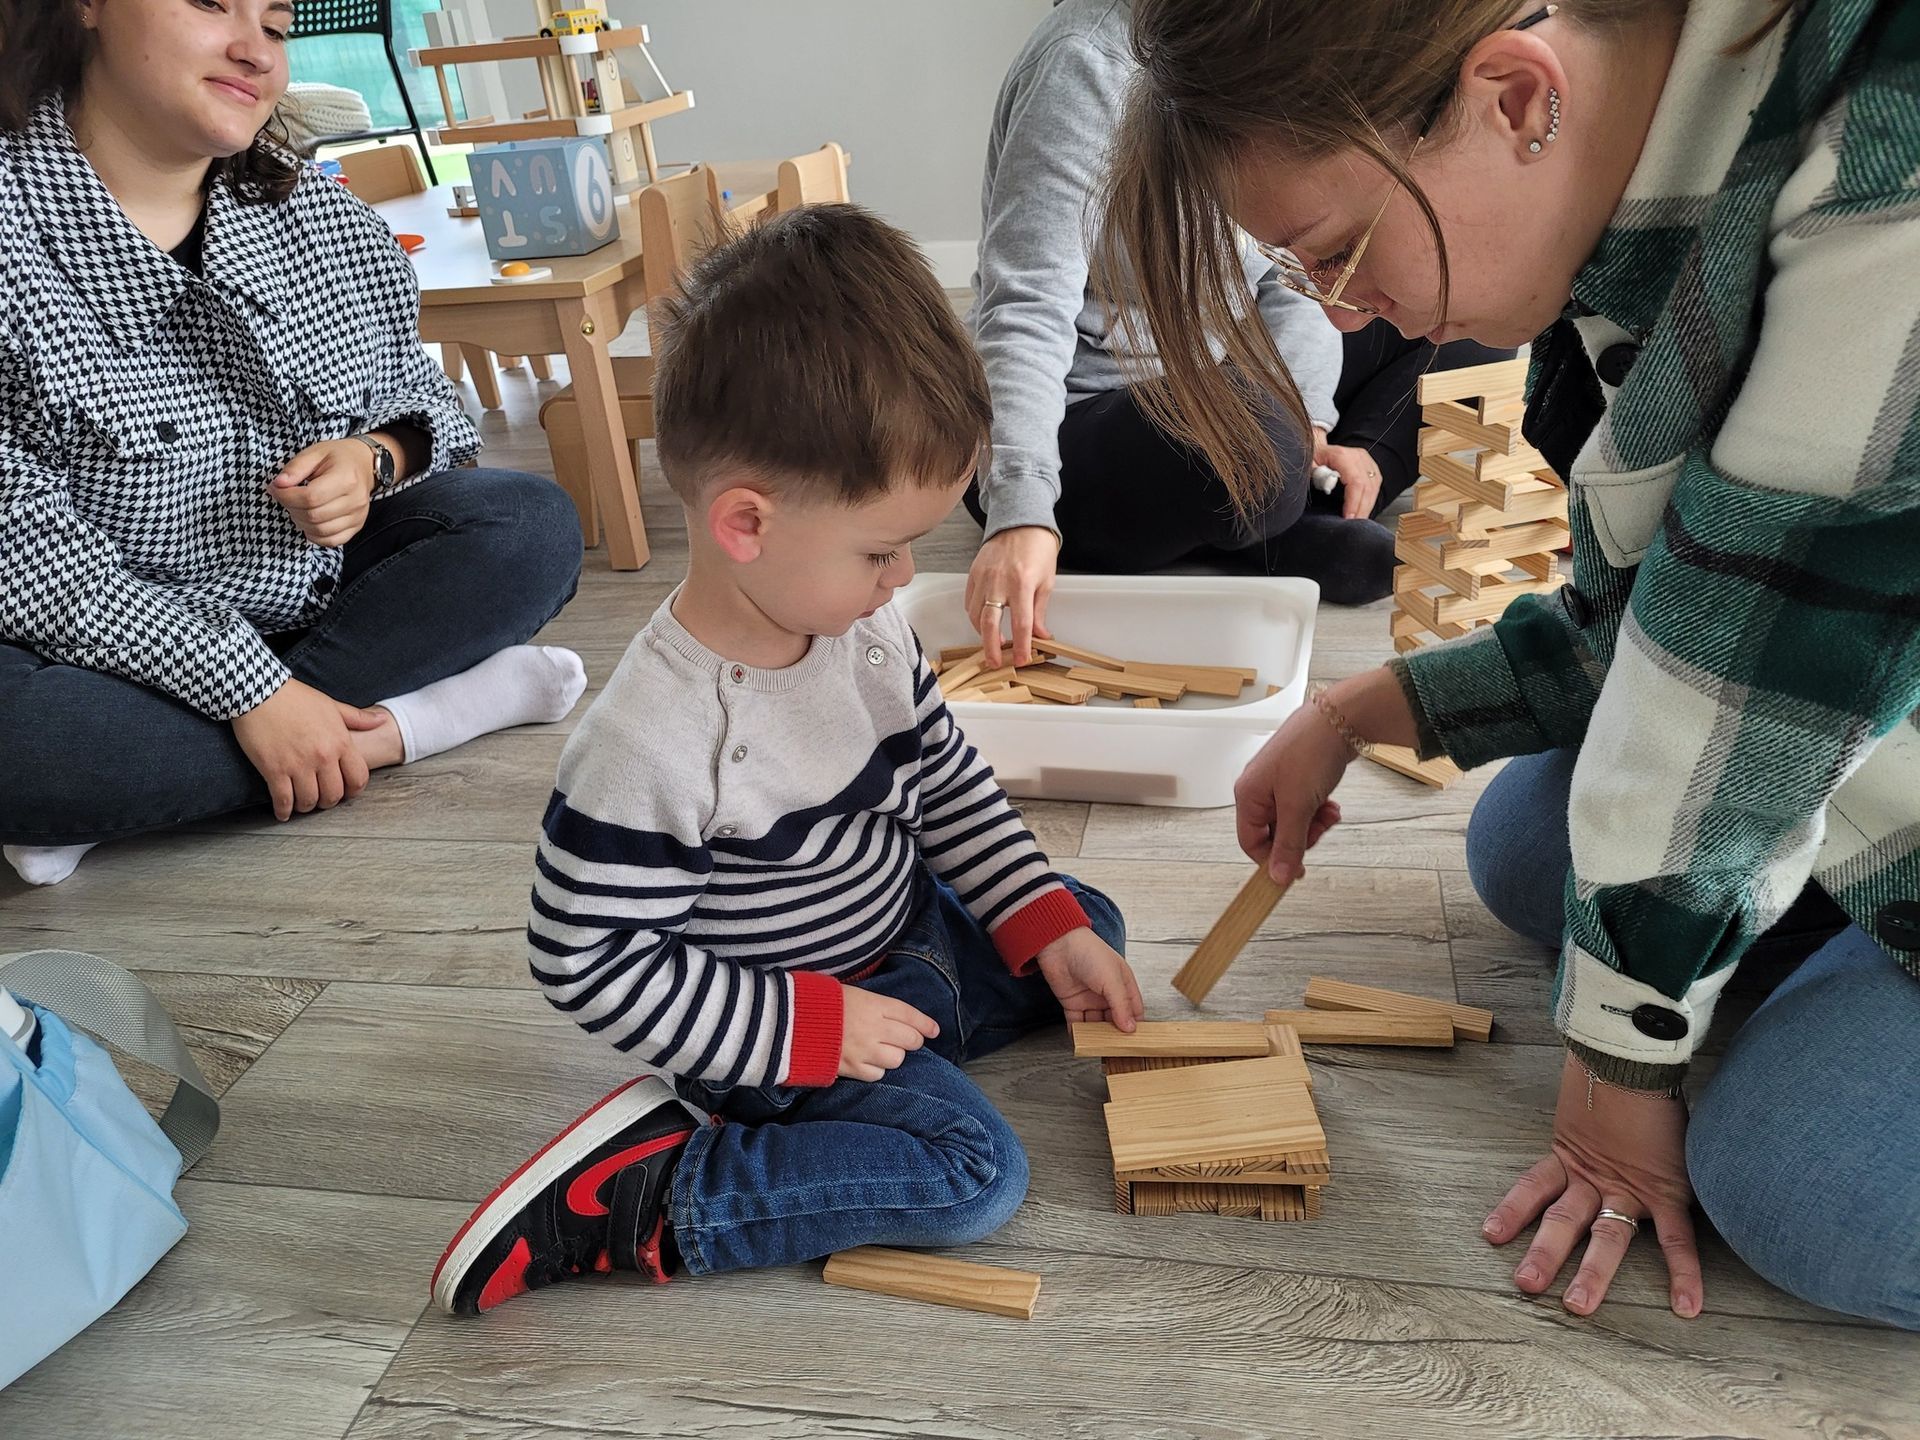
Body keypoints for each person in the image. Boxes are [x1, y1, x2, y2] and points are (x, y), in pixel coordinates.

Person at [1099, 0, 1919, 1328]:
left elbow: (1758, 676)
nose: (1342, 311)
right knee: (1536, 846)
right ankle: (1779, 895)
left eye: (1334, 252)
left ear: (1517, 96)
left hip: (1847, 682)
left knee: (1802, 1187)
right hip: (1859, 679)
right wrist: (1372, 705)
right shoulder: (1636, 204)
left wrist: (1617, 1073)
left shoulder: (1892, 171)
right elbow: (1667, 609)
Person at [430, 205, 1142, 1316]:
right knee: (973, 1177)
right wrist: (808, 1030)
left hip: (900, 949)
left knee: (1085, 925)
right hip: (772, 1022)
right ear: (746, 525)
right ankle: (651, 1197)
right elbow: (585, 959)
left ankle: (932, 1019)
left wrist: (1040, 922)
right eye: (880, 548)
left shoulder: (860, 623)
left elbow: (945, 783)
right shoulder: (650, 741)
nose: (904, 576)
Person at [0, 0, 587, 887]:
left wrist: (376, 456)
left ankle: (132, 789)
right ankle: (420, 720)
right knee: (23, 742)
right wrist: (247, 690)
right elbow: (27, 561)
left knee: (528, 523)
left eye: (275, 27)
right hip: (89, 645)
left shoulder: (324, 221)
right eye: (209, 4)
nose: (254, 52)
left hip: (314, 597)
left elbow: (427, 401)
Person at [964, 0, 1512, 667]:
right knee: (1255, 437)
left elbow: (1291, 273)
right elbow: (1025, 306)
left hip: (1224, 377)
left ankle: (1323, 489)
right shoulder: (1086, 65)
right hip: (1080, 418)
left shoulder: (1262, 53)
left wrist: (1312, 420)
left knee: (1470, 320)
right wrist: (1019, 508)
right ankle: (1271, 521)